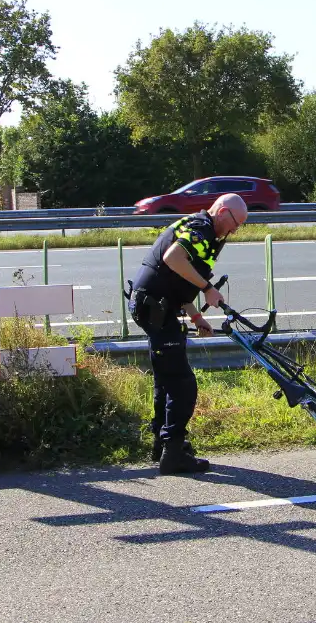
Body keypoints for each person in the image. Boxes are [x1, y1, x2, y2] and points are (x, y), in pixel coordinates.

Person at [127, 193, 248, 475]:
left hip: (155, 307)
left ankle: (163, 442)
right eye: (234, 223)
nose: (234, 231)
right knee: (182, 384)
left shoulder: (202, 228)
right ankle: (173, 453)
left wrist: (195, 314)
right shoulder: (201, 229)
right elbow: (173, 259)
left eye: (239, 226)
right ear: (222, 212)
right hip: (155, 308)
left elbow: (177, 281)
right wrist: (207, 288)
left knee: (166, 378)